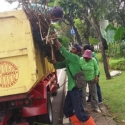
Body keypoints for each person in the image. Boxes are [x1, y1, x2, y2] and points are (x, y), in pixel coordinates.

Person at [52, 38, 96, 125]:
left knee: (80, 114)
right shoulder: (68, 61)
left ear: (78, 52)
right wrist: (51, 53)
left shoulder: (75, 58)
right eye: (71, 48)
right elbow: (57, 65)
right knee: (67, 110)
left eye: (73, 49)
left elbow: (64, 52)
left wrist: (55, 39)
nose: (71, 50)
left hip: (76, 90)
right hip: (71, 89)